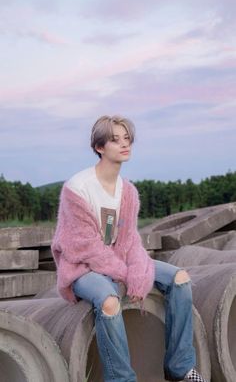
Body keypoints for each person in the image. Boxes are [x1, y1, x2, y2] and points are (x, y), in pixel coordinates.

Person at [52, 115, 208, 382]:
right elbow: (84, 247)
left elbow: (130, 240)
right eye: (115, 140)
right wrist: (125, 274)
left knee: (180, 279)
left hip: (118, 260)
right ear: (100, 147)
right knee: (110, 301)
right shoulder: (77, 188)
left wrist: (139, 270)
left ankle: (180, 366)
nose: (124, 144)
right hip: (82, 267)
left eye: (127, 139)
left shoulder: (128, 192)